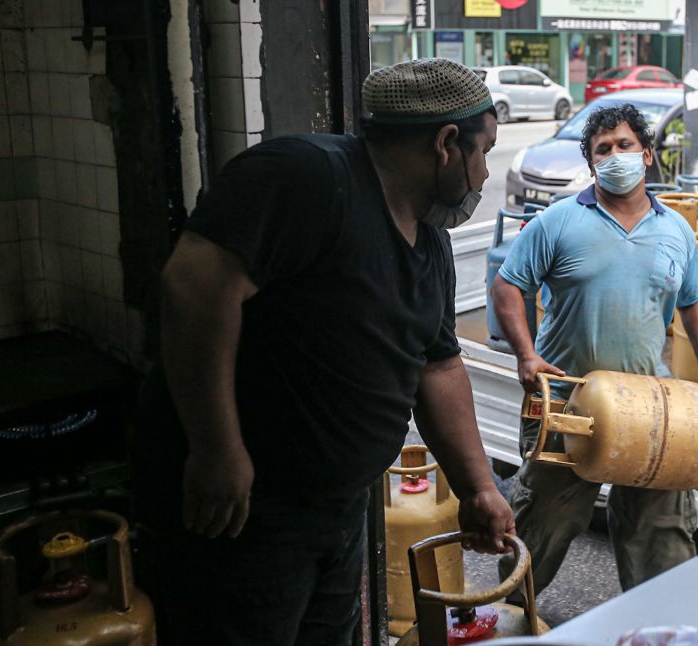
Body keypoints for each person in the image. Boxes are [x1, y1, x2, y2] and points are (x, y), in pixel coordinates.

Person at [131, 58, 514, 645]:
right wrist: (216, 449)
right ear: (445, 143)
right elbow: (195, 286)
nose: (485, 173)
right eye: (483, 150)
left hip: (338, 511)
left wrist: (478, 487)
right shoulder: (309, 177)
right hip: (248, 513)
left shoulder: (430, 245)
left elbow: (437, 368)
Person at [492, 104, 698, 597]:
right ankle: (510, 616)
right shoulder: (558, 221)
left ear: (646, 155)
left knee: (659, 534)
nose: (614, 155)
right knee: (542, 526)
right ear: (593, 163)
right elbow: (509, 285)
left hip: (650, 408)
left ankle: (654, 625)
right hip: (565, 401)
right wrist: (526, 354)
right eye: (603, 149)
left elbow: (694, 297)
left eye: (624, 145)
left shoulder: (676, 230)